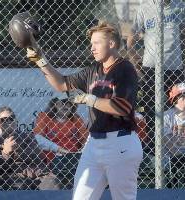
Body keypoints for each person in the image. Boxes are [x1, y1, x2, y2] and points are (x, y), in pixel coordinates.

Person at [26, 21, 143, 199]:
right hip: (94, 145)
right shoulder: (93, 70)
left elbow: (122, 107)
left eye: (96, 43)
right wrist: (40, 60)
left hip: (121, 143)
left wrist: (91, 100)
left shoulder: (124, 68)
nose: (92, 48)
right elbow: (62, 84)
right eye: (91, 44)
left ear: (111, 44)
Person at [127, 0, 185, 153]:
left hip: (175, 68)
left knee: (179, 107)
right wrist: (135, 61)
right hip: (151, 68)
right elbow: (131, 37)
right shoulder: (144, 7)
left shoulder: (180, 5)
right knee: (151, 109)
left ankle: (177, 148)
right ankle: (153, 148)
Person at [0, 106, 61, 190]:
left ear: (16, 121)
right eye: (3, 119)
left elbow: (36, 158)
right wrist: (6, 152)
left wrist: (17, 150)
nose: (8, 121)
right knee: (20, 185)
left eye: (11, 118)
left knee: (53, 183)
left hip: (38, 174)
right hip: (13, 177)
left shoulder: (27, 136)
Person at [33, 97, 88, 163]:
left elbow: (85, 139)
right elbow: (38, 138)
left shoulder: (76, 119)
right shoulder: (44, 117)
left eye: (69, 103)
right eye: (62, 103)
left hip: (73, 156)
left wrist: (81, 152)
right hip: (53, 157)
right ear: (54, 105)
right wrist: (59, 149)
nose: (65, 105)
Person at [163, 83, 185, 187]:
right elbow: (167, 142)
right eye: (183, 96)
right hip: (170, 157)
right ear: (175, 99)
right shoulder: (167, 116)